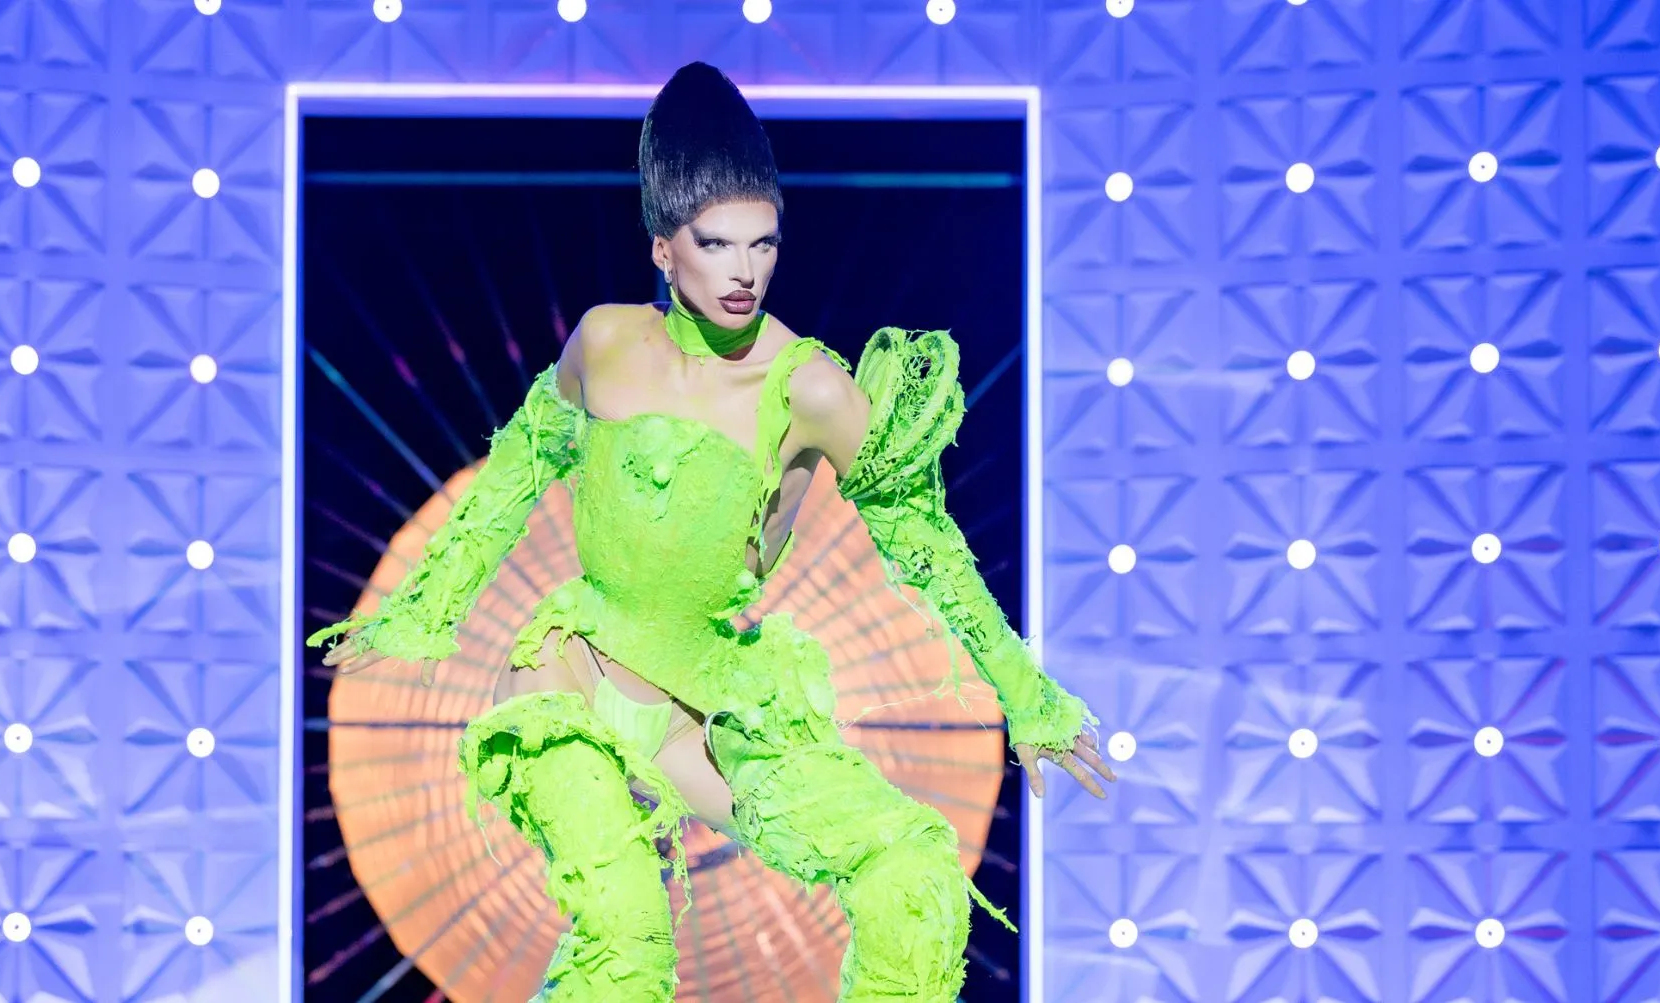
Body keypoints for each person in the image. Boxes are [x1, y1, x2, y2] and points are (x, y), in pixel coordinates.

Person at [309, 60, 1115, 1002]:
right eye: (717, 243)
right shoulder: (604, 343)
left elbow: (927, 548)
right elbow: (514, 476)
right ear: (664, 248)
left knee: (912, 878)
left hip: (710, 707)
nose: (745, 271)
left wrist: (1030, 699)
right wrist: (420, 607)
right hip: (570, 671)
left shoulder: (811, 387)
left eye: (764, 243)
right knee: (625, 940)